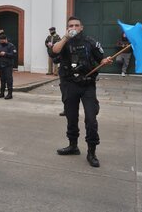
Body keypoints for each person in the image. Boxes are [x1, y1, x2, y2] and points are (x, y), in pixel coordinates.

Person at [52, 16, 112, 168]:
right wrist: (66, 37)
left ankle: (92, 152)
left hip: (87, 86)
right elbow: (54, 51)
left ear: (81, 27)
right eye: (70, 25)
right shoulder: (63, 42)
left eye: (76, 25)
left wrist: (104, 61)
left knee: (91, 120)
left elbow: (101, 59)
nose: (73, 27)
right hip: (69, 85)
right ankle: (73, 146)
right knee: (71, 117)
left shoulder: (90, 42)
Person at [0, 35, 16, 100]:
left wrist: (5, 54)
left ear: (6, 39)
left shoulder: (11, 46)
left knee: (9, 80)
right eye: (1, 40)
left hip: (8, 66)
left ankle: (10, 94)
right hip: (1, 65)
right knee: (2, 80)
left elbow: (14, 55)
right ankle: (2, 93)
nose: (2, 41)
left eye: (3, 39)